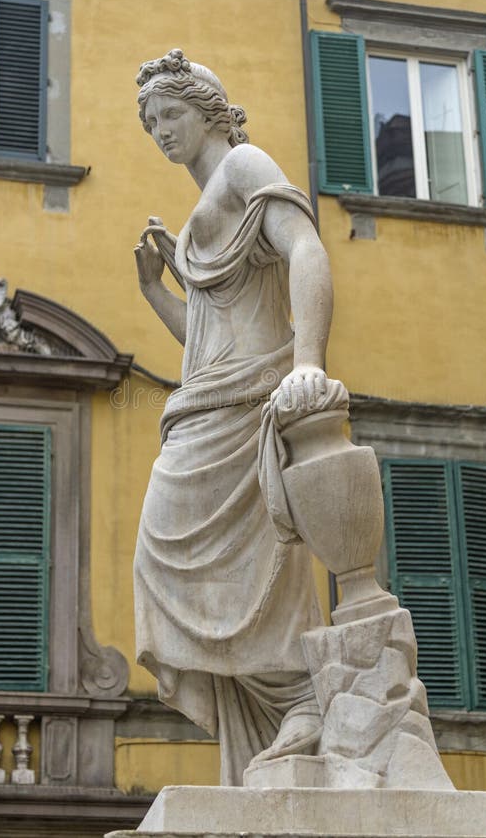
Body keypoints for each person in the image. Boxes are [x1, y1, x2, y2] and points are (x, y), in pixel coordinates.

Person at [133, 49, 334, 786]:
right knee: (174, 561)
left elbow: (306, 248)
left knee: (234, 564)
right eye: (151, 121)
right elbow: (206, 341)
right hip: (208, 402)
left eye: (172, 114)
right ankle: (289, 712)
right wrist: (159, 292)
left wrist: (307, 360)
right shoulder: (204, 201)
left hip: (252, 399)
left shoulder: (247, 168)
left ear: (209, 109)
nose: (161, 131)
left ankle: (304, 698)